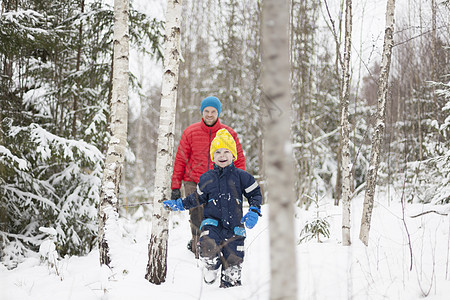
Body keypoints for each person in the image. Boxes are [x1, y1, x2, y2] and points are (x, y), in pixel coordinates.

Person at [164, 129, 262, 288]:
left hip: (235, 227)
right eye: (217, 152)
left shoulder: (242, 177)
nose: (222, 155)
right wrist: (179, 204)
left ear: (233, 155)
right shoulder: (206, 178)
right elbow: (196, 198)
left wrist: (254, 210)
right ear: (213, 156)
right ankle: (210, 266)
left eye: (226, 151)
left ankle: (230, 288)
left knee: (234, 266)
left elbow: (255, 194)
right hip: (212, 224)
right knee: (207, 245)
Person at [170, 96, 246, 258]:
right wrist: (175, 186)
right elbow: (180, 159)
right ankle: (199, 249)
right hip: (193, 181)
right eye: (206, 111)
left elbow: (238, 159)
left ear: (218, 112)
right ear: (201, 112)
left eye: (213, 111)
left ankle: (217, 247)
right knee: (196, 215)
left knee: (217, 214)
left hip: (220, 181)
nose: (210, 114)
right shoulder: (190, 132)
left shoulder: (228, 133)